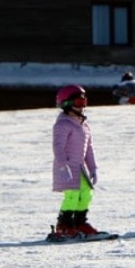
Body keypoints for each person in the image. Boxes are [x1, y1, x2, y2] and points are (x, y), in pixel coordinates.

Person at [50, 85, 101, 239]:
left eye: (84, 101)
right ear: (66, 104)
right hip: (66, 169)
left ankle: (79, 223)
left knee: (86, 195)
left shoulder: (83, 125)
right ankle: (64, 225)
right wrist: (62, 166)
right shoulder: (63, 124)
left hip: (80, 169)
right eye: (79, 102)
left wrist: (93, 168)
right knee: (72, 196)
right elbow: (58, 146)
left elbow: (89, 149)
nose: (83, 106)